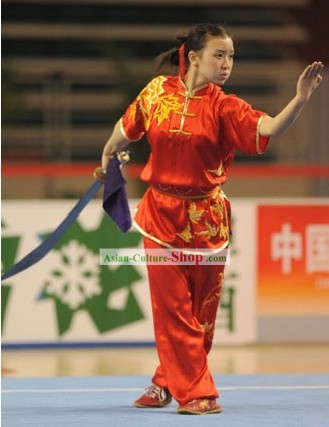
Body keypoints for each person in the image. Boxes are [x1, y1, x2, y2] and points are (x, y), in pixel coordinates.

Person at [101, 23, 323, 415]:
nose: (226, 64)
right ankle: (197, 394)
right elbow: (124, 132)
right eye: (219, 55)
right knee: (172, 309)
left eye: (231, 56)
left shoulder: (225, 106)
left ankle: (164, 382)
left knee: (200, 316)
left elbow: (268, 128)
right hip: (160, 217)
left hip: (208, 220)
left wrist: (300, 100)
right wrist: (107, 160)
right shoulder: (155, 94)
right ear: (193, 56)